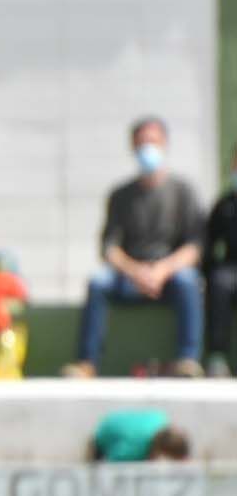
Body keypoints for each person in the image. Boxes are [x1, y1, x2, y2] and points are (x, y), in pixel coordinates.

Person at [63, 117, 204, 379]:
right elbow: (109, 248)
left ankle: (187, 359)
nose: (147, 148)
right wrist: (135, 271)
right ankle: (86, 362)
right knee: (97, 283)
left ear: (165, 144)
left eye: (153, 141)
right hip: (130, 277)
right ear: (133, 147)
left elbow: (194, 246)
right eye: (141, 143)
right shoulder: (120, 195)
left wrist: (162, 270)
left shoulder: (183, 191)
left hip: (169, 277)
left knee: (189, 281)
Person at [201, 145, 237, 377]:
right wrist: (209, 272)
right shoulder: (224, 205)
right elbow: (208, 245)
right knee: (219, 282)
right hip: (231, 268)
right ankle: (217, 357)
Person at [89, 409, 190, 462]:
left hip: (112, 421)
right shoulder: (133, 449)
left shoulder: (161, 418)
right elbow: (113, 461)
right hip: (102, 439)